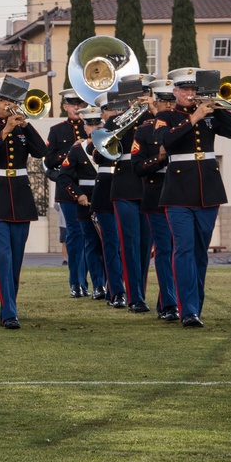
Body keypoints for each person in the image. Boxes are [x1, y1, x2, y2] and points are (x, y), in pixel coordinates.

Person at [155, 67, 231, 327]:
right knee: (182, 250)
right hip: (178, 193)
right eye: (185, 90)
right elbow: (166, 142)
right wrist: (193, 118)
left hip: (208, 192)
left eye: (194, 89)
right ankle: (188, 311)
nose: (190, 94)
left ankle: (197, 306)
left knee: (199, 253)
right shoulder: (166, 116)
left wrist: (217, 106)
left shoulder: (210, 114)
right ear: (175, 92)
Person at [0, 76, 47, 329]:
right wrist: (5, 131)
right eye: (3, 100)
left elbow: (42, 152)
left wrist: (26, 125)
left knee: (15, 259)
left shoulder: (22, 130)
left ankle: (9, 304)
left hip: (20, 199)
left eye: (11, 100)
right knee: (3, 257)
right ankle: (8, 312)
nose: (8, 105)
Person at [132, 78, 179, 321]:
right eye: (164, 102)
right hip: (157, 193)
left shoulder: (186, 124)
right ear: (156, 103)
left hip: (183, 191)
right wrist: (158, 159)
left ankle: (168, 301)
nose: (169, 107)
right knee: (164, 249)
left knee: (179, 250)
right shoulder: (144, 130)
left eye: (173, 101)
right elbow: (138, 167)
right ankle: (169, 304)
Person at [110, 74, 156, 314]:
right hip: (125, 185)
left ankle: (142, 293)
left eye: (145, 94)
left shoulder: (157, 119)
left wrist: (152, 112)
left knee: (145, 244)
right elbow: (100, 154)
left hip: (149, 185)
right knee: (129, 243)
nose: (141, 98)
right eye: (137, 95)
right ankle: (134, 296)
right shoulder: (117, 121)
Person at [56, 105, 107, 300]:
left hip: (105, 196)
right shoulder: (77, 150)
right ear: (84, 127)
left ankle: (111, 285)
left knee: (109, 243)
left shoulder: (110, 144)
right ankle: (98, 285)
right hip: (85, 199)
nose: (93, 127)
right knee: (91, 243)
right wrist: (77, 194)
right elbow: (64, 177)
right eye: (90, 124)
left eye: (97, 123)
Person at [45, 89, 90, 298]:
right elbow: (49, 160)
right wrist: (70, 150)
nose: (77, 108)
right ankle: (77, 282)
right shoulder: (57, 130)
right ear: (65, 107)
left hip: (90, 188)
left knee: (92, 237)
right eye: (73, 104)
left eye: (80, 104)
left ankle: (94, 281)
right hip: (68, 191)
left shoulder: (92, 126)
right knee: (74, 236)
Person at [90, 92, 128, 308]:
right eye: (108, 110)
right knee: (111, 244)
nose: (112, 114)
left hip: (127, 184)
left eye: (116, 109)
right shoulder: (101, 133)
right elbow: (96, 154)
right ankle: (116, 290)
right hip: (105, 188)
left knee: (128, 245)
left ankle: (129, 289)